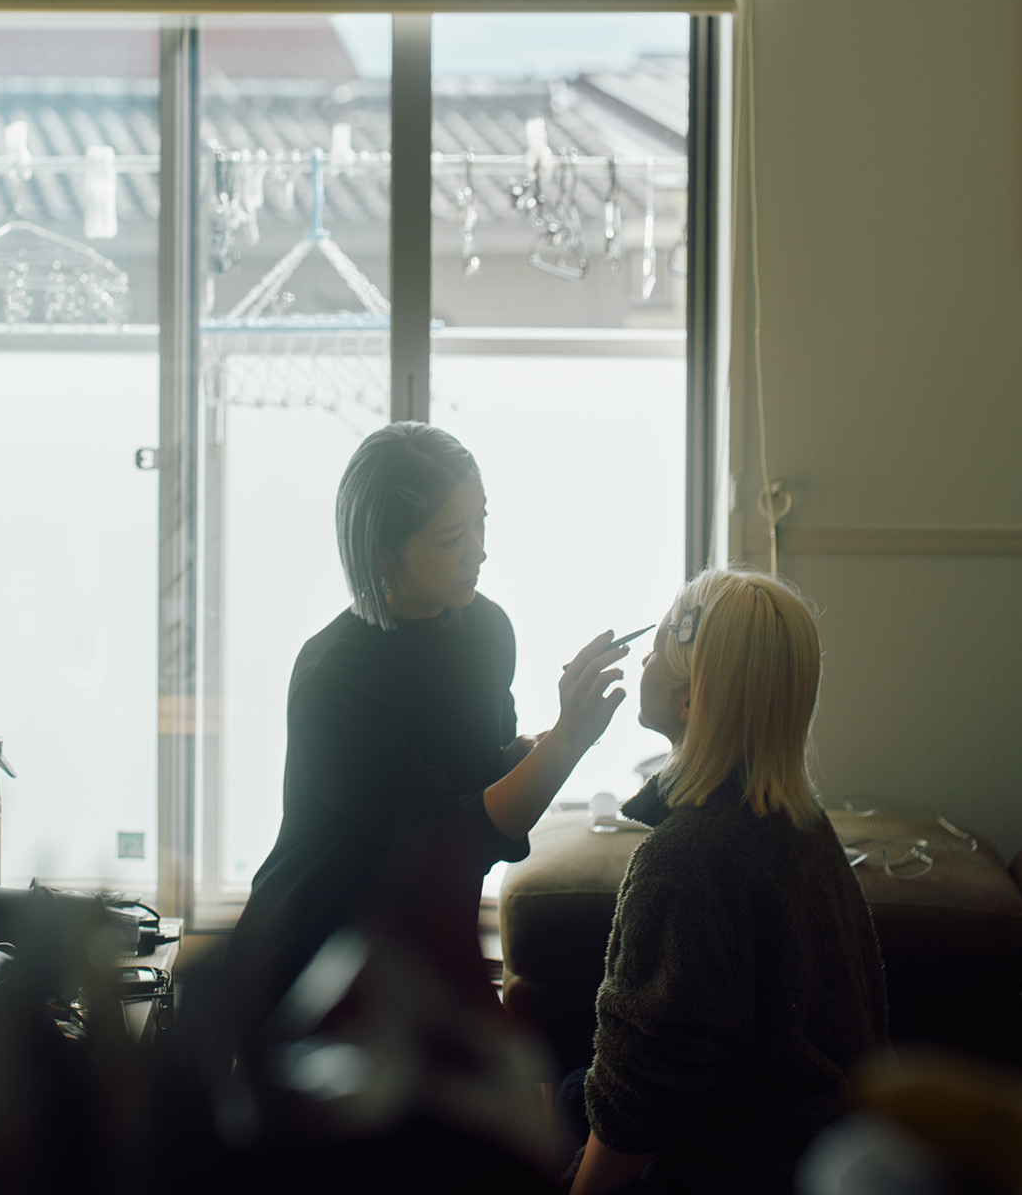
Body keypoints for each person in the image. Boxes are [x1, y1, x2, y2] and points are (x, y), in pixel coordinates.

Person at [225, 422, 628, 1039]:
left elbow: (477, 772)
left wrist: (558, 732)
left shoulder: (486, 628)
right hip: (317, 965)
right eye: (450, 539)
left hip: (425, 951)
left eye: (481, 522)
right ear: (384, 554)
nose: (478, 552)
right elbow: (453, 837)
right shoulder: (333, 679)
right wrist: (567, 741)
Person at [563, 568, 888, 1195]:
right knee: (576, 1093)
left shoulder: (684, 862)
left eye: (656, 648)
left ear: (690, 702)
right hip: (826, 1135)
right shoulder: (800, 819)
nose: (644, 661)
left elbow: (642, 1104)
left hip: (747, 1166)